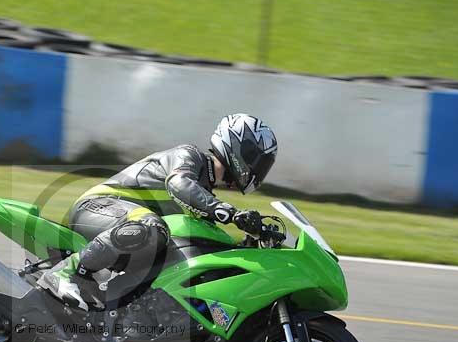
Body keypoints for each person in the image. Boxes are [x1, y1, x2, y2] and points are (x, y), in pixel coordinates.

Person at [38, 113, 278, 311]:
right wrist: (231, 213)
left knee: (175, 255)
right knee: (154, 228)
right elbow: (180, 185)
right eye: (257, 161)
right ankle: (65, 273)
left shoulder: (204, 194)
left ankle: (112, 309)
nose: (258, 169)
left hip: (121, 224)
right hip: (97, 206)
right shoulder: (189, 156)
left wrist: (246, 245)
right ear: (240, 150)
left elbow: (205, 241)